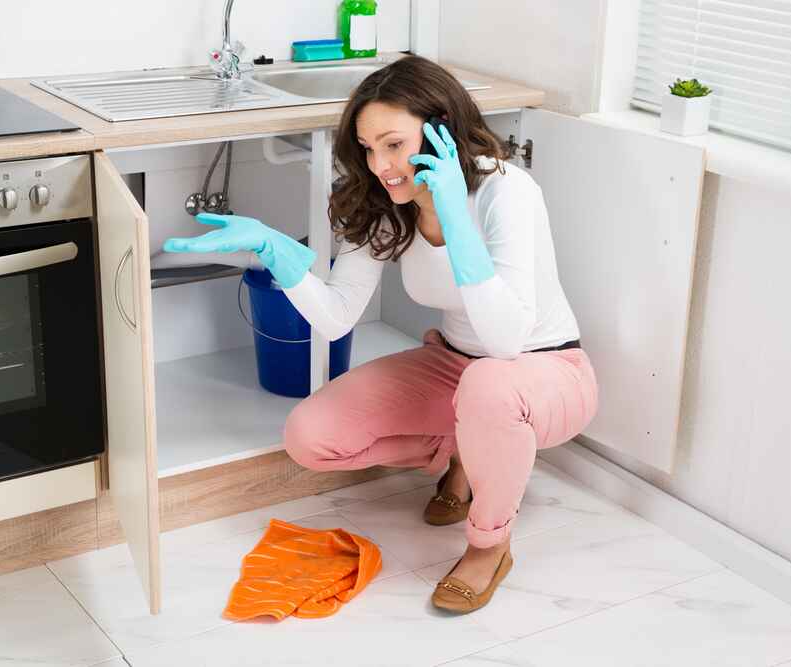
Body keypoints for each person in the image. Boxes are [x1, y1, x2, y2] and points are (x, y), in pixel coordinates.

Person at [163, 55, 599, 614]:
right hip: (458, 367)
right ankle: (464, 450)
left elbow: (507, 342)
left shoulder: (505, 191)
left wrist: (454, 220)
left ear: (442, 130)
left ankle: (489, 544)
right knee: (311, 435)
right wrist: (275, 253)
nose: (381, 165)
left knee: (490, 385)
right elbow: (337, 315)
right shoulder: (385, 204)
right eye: (369, 148)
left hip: (544, 371)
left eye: (394, 144)